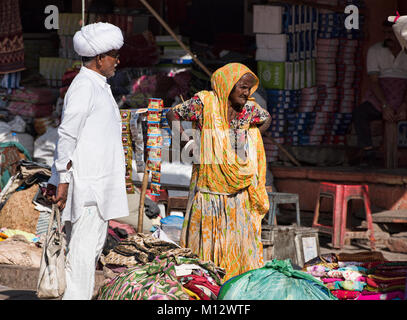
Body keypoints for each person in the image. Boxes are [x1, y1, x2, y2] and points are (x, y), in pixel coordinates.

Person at [45, 22, 129, 300]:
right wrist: (63, 179)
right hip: (87, 186)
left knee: (90, 250)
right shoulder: (84, 86)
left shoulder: (99, 85)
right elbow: (67, 135)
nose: (118, 60)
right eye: (114, 55)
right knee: (81, 255)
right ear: (100, 58)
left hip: (98, 185)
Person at [166, 63, 272, 281]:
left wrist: (252, 137)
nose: (246, 92)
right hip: (208, 194)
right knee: (206, 255)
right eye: (242, 87)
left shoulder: (249, 110)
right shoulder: (205, 104)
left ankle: (237, 288)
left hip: (238, 194)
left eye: (249, 88)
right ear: (227, 85)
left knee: (238, 247)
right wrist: (187, 143)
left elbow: (266, 119)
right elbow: (173, 115)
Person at [352, 19, 407, 166]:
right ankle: (368, 151)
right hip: (381, 98)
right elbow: (374, 81)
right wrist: (385, 106)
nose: (387, 36)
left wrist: (404, 105)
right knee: (360, 113)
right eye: (385, 33)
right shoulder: (375, 50)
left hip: (403, 98)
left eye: (391, 33)